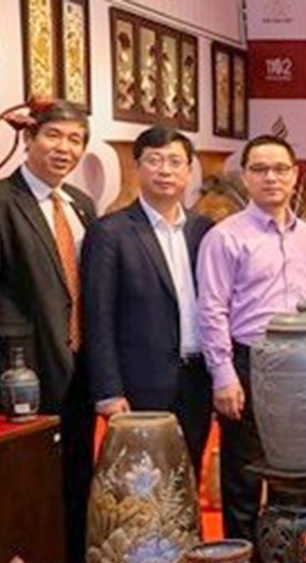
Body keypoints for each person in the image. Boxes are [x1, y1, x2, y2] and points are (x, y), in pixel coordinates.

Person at [197, 135, 306, 544]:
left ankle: (285, 561)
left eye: (280, 169)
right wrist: (223, 375)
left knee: (292, 469)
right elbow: (211, 310)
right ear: (245, 177)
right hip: (249, 362)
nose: (271, 178)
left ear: (295, 176)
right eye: (260, 169)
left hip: (302, 365)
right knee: (244, 476)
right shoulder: (225, 236)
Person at [0, 99, 99, 563]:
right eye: (54, 136)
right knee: (29, 484)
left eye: (75, 139)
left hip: (79, 366)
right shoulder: (2, 202)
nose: (65, 148)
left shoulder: (81, 204)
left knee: (77, 475)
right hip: (23, 373)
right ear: (30, 138)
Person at [82, 125, 214, 481]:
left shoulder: (205, 231)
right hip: (140, 385)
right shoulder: (110, 232)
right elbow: (98, 317)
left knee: (188, 478)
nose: (165, 170)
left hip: (197, 378)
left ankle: (188, 540)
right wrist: (108, 391)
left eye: (175, 161)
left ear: (189, 171)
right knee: (141, 484)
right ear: (137, 167)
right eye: (154, 160)